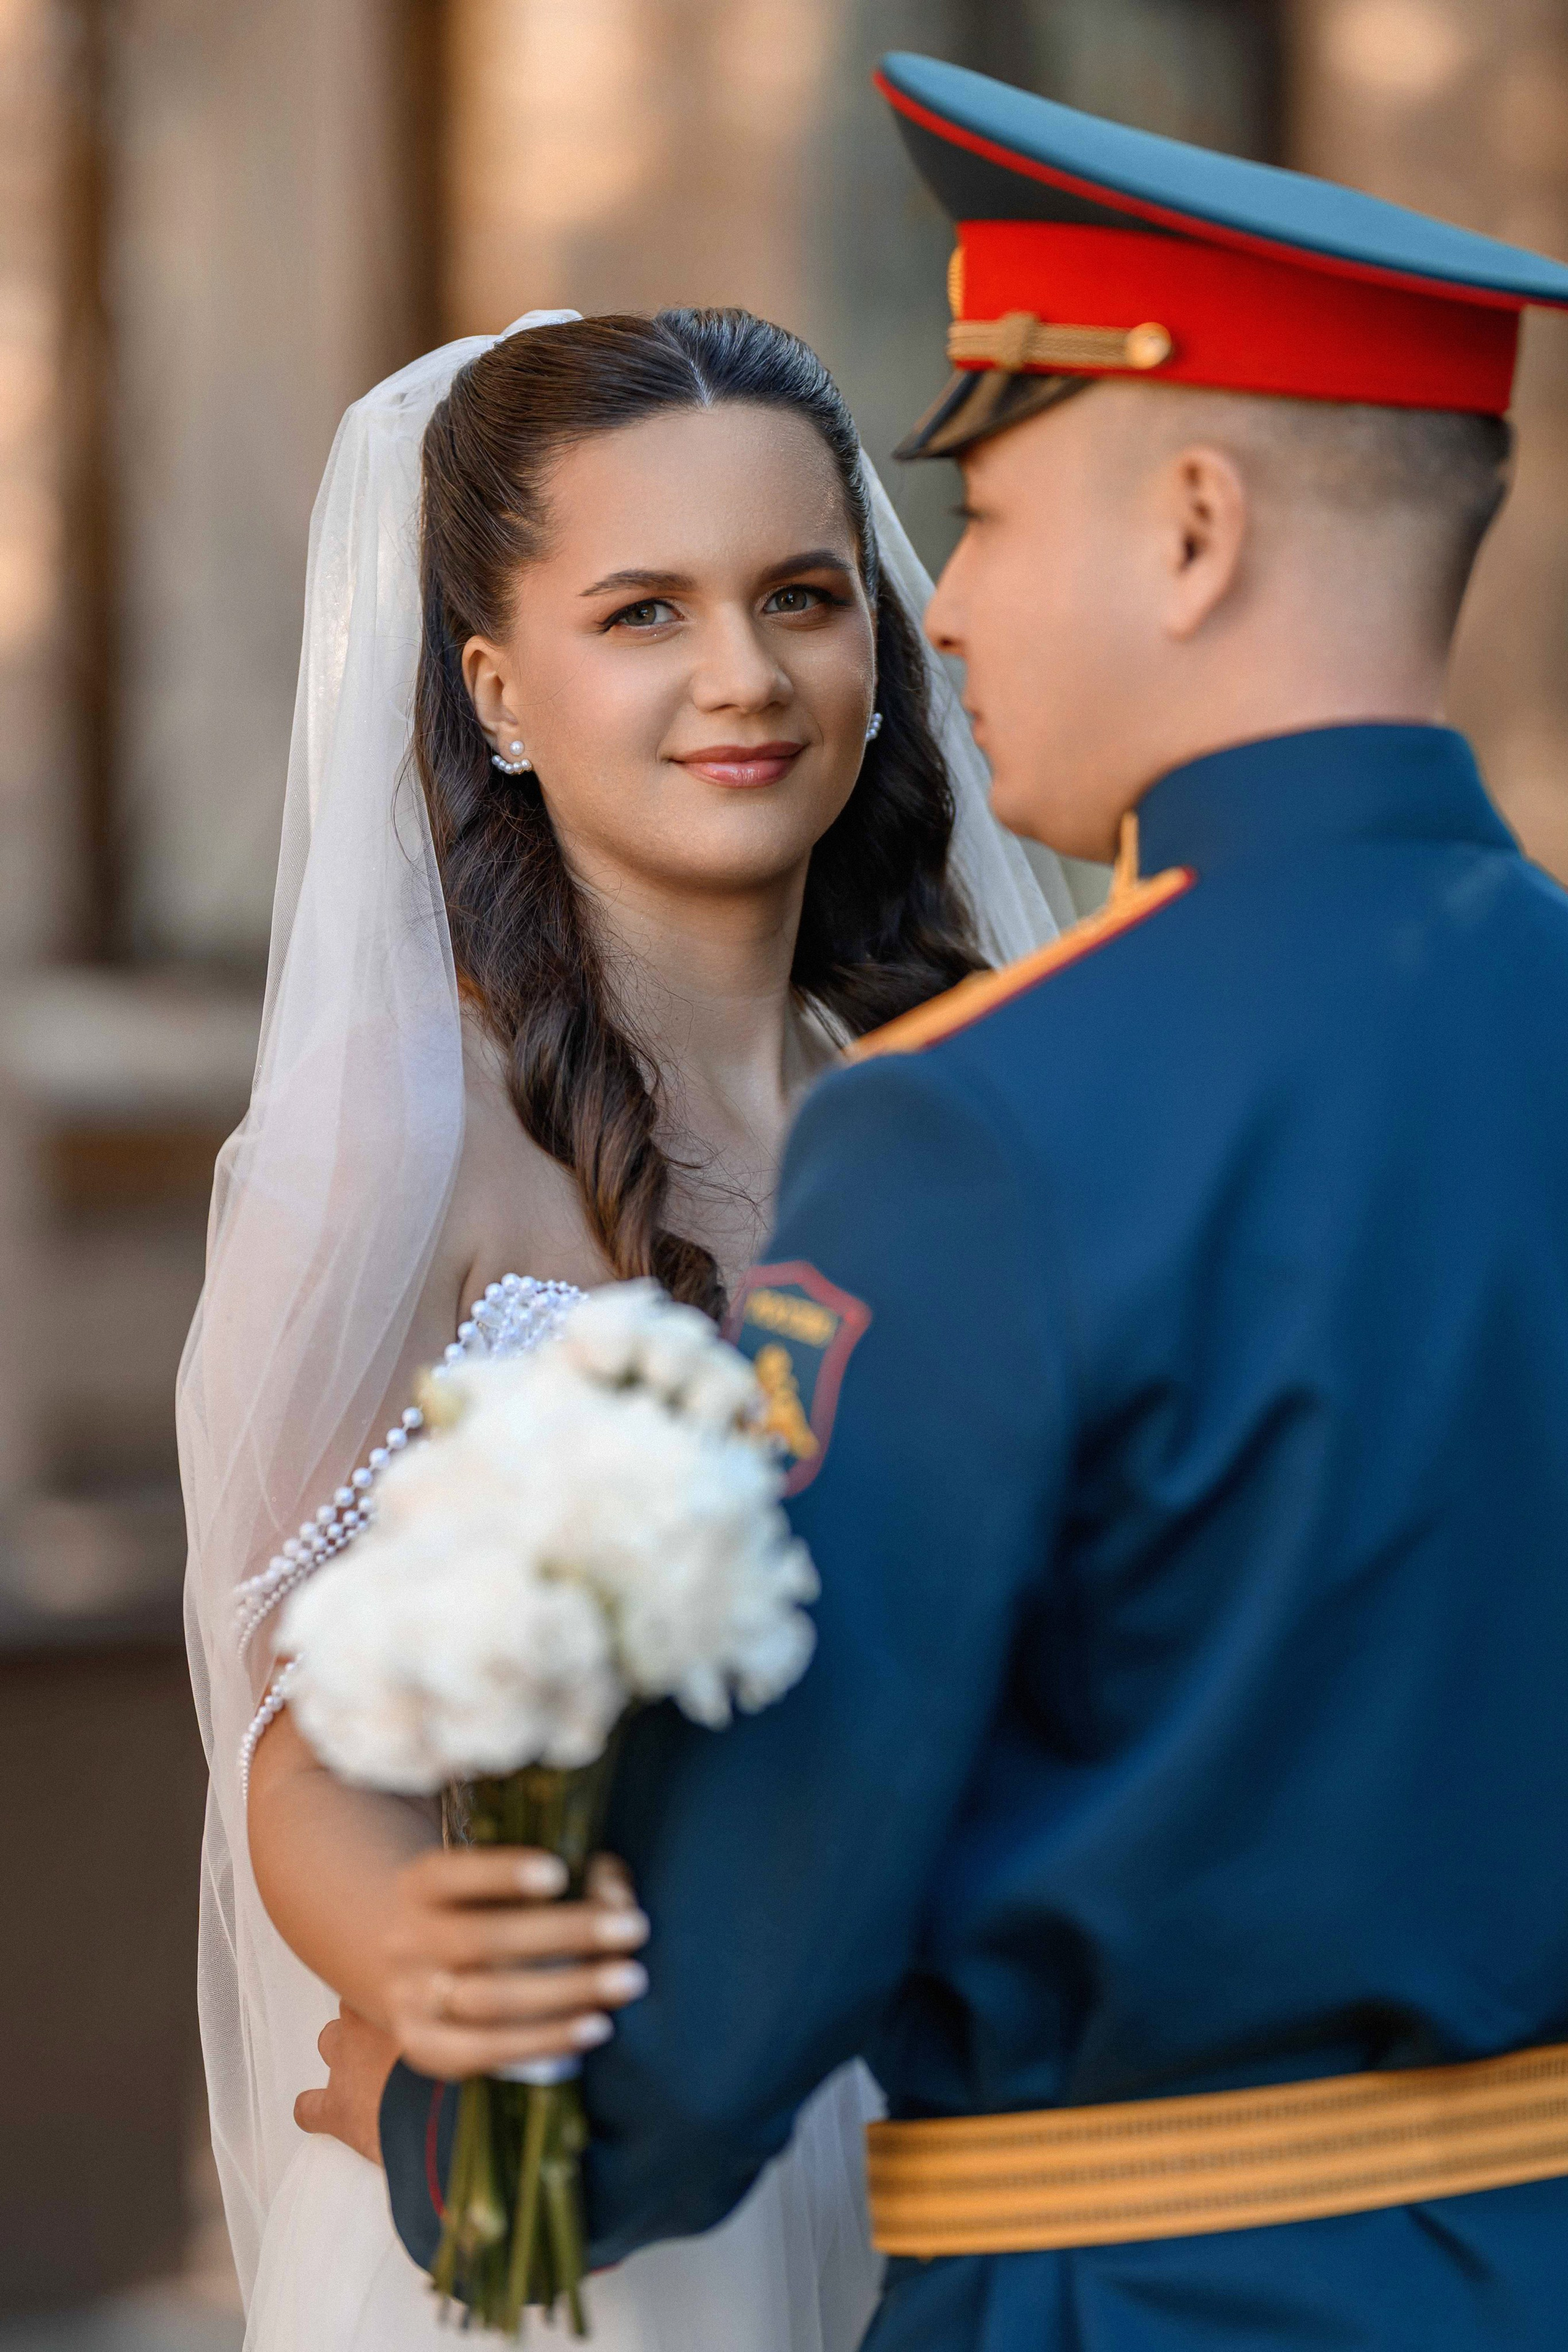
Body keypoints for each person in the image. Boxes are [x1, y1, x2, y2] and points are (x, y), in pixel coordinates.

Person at [372, 55, 1568, 2352]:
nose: (944, 617)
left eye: (990, 520)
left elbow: (786, 1883)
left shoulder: (981, 1123)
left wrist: (476, 2154)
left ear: (1197, 527)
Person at [178, 302, 1065, 2351]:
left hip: (955, 2123)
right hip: (591, 2163)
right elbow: (297, 1708)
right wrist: (420, 1947)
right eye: (644, 612)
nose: (744, 677)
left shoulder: (959, 1100)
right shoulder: (404, 1140)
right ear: (497, 687)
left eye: (801, 597)